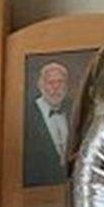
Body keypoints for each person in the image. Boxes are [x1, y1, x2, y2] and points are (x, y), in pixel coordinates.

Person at [23, 60, 72, 188]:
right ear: (41, 85)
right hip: (37, 190)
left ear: (67, 86)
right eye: (51, 82)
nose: (56, 87)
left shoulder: (75, 110)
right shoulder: (25, 114)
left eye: (60, 82)